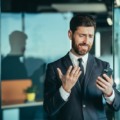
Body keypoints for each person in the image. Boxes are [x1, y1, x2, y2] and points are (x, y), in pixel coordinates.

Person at [43, 15, 120, 120]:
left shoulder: (103, 66)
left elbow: (117, 105)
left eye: (90, 36)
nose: (86, 41)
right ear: (70, 34)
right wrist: (64, 89)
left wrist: (110, 93)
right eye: (82, 35)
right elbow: (48, 109)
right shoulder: (54, 68)